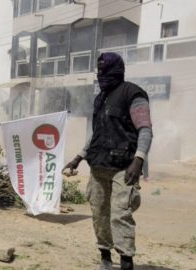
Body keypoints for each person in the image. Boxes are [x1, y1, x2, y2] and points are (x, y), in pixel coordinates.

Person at [63, 53, 153, 270]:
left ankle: (125, 261)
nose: (100, 73)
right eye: (98, 69)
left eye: (104, 69)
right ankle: (105, 258)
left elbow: (145, 129)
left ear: (116, 69)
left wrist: (138, 160)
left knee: (121, 215)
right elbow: (97, 134)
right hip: (98, 166)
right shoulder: (100, 97)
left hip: (124, 168)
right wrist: (78, 158)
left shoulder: (133, 93)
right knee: (99, 212)